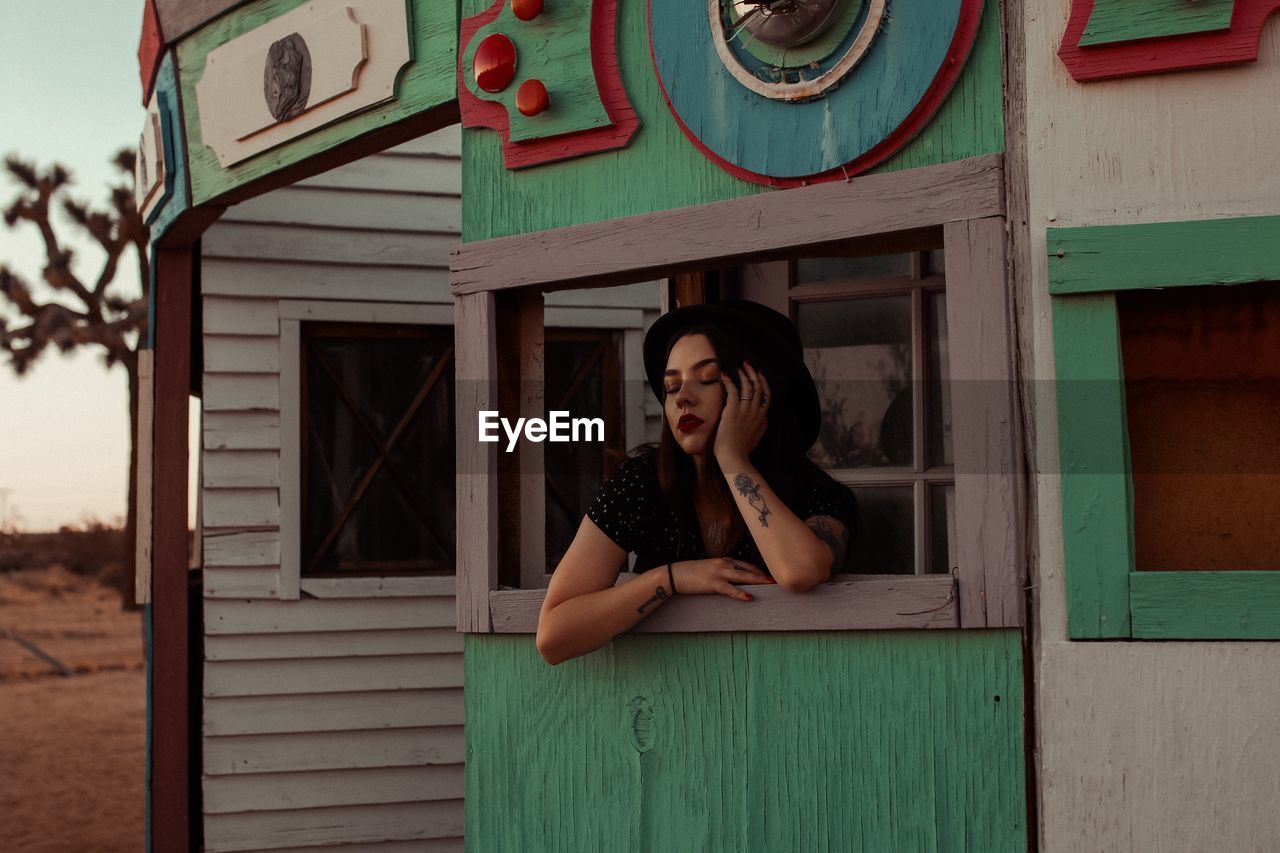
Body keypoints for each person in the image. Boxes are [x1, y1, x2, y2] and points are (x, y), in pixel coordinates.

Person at [535, 300, 858, 665]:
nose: (683, 399)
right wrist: (672, 579)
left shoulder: (817, 494)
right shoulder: (642, 483)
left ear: (758, 394)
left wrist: (733, 458)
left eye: (706, 380)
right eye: (671, 387)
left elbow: (800, 571)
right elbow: (553, 636)